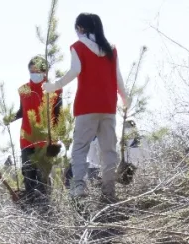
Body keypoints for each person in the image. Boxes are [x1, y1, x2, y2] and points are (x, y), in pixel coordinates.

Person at [44, 13, 127, 202]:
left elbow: (74, 71)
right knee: (109, 151)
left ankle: (79, 187)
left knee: (80, 149)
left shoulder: (78, 47)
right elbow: (118, 78)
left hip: (86, 106)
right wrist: (125, 98)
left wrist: (53, 86)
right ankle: (109, 191)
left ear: (80, 28)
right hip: (108, 106)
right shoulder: (111, 49)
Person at [13, 56, 63, 202]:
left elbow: (58, 114)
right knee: (28, 175)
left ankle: (45, 211)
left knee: (43, 178)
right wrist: (9, 117)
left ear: (45, 71)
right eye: (31, 70)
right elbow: (22, 111)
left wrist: (56, 139)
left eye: (38, 70)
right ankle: (30, 209)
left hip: (46, 140)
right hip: (26, 139)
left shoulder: (54, 89)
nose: (34, 73)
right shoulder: (23, 89)